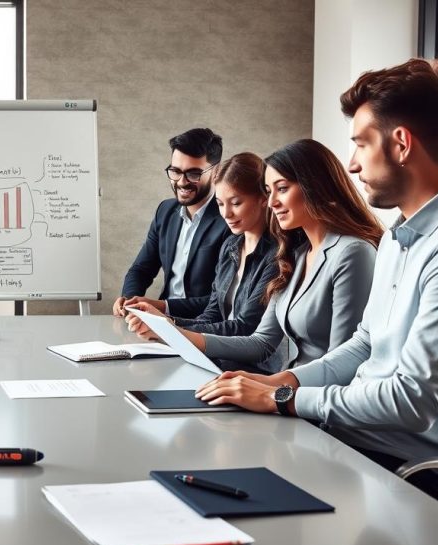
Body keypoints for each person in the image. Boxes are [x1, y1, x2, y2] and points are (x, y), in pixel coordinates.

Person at [195, 59, 438, 508]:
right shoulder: (402, 236)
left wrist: (284, 399)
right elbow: (364, 344)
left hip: (409, 473)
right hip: (355, 444)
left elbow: (413, 401)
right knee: (211, 455)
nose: (353, 164)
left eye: (361, 144)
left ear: (400, 143)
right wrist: (283, 382)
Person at [128, 139, 382, 372]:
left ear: (314, 185)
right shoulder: (297, 253)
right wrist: (170, 330)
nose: (272, 202)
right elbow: (261, 341)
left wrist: (270, 391)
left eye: (281, 189)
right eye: (270, 191)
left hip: (311, 402)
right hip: (284, 386)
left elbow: (342, 364)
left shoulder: (351, 253)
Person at [124, 152, 282, 373]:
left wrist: (170, 328)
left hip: (255, 370)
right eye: (220, 203)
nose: (226, 213)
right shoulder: (231, 246)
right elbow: (212, 314)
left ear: (263, 199)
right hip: (219, 360)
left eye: (236, 203)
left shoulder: (276, 255)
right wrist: (163, 321)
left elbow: (244, 328)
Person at [112, 128, 231, 319]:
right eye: (175, 171)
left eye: (194, 174)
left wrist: (162, 306)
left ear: (216, 172)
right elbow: (141, 270)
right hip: (161, 322)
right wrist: (129, 299)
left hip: (206, 327)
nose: (181, 182)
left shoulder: (230, 219)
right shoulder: (165, 211)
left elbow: (223, 299)